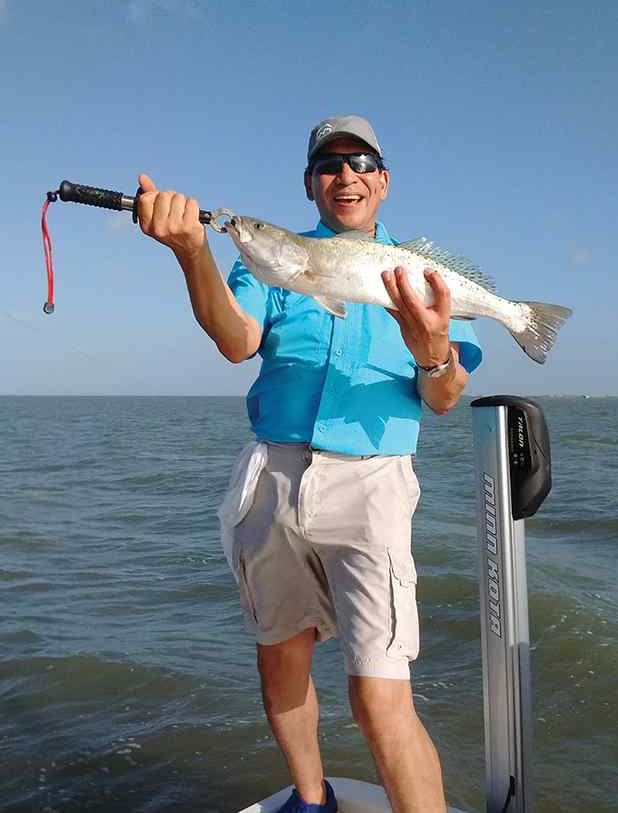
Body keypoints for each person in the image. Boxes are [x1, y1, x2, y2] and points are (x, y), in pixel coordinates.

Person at [136, 114, 482, 813]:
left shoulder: (422, 272)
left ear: (382, 181)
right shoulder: (275, 256)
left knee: (379, 694)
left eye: (360, 162)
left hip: (373, 482)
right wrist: (192, 253)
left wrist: (433, 348)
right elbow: (237, 339)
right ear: (310, 186)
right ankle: (311, 796)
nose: (345, 174)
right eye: (329, 165)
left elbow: (445, 395)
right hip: (273, 474)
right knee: (280, 660)